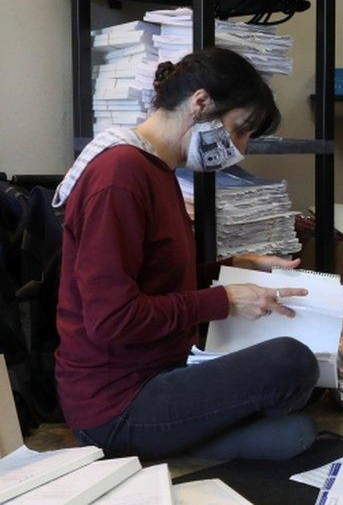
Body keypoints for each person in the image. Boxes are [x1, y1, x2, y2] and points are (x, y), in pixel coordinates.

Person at [54, 47, 320, 461]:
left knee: (295, 430)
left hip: (161, 372)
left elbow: (156, 283)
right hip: (117, 404)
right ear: (201, 103)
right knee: (291, 363)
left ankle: (186, 442)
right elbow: (111, 320)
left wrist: (230, 268)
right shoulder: (120, 175)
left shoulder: (157, 170)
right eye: (240, 130)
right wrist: (223, 300)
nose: (241, 149)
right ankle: (152, 443)